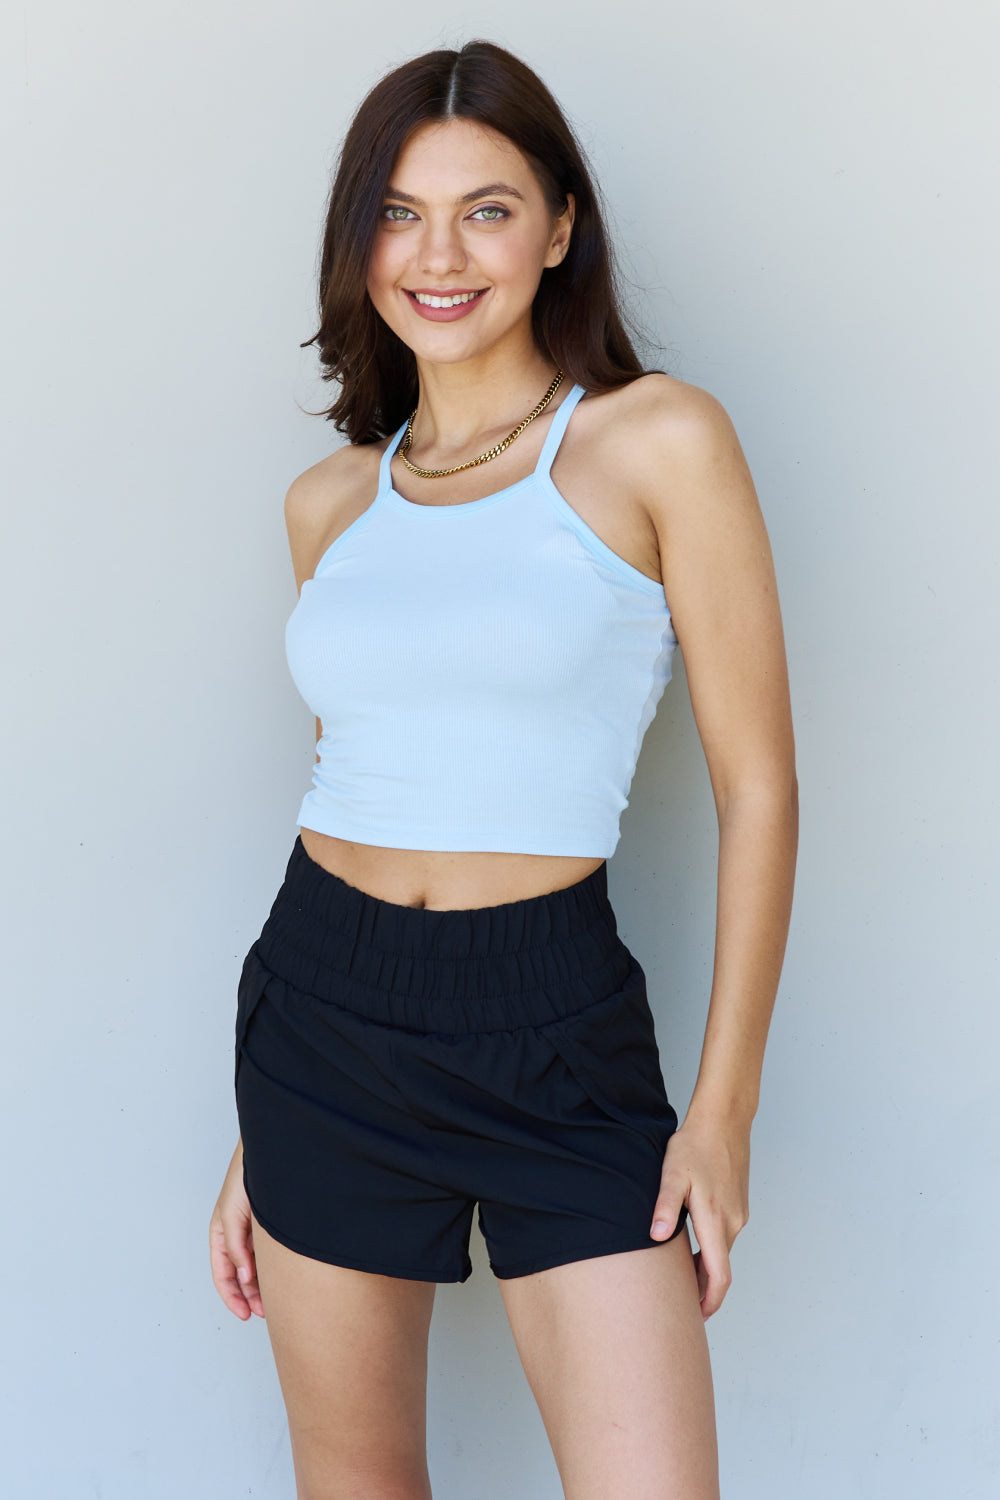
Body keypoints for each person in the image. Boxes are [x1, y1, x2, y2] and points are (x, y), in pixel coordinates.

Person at [209, 38, 797, 1500]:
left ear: (559, 227)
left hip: (556, 1024)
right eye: (401, 213)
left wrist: (719, 1118)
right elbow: (364, 776)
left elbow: (761, 790)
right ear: (362, 244)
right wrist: (253, 1136)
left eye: (486, 207)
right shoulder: (330, 501)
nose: (439, 253)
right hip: (319, 1025)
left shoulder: (657, 443)